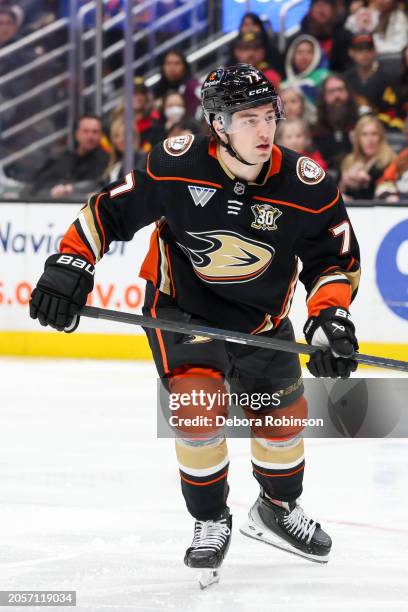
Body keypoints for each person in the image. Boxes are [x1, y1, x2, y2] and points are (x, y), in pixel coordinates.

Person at [29, 64, 360, 580]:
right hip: (181, 309)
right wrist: (71, 263)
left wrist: (329, 321)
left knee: (284, 420)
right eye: (247, 119)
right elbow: (107, 212)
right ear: (218, 124)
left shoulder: (306, 185)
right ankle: (210, 519)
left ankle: (276, 507)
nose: (264, 129)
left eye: (268, 115)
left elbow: (332, 263)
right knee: (198, 406)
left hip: (261, 318)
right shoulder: (176, 164)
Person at [26, 115, 109, 199]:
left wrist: (70, 188)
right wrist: (53, 191)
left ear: (101, 135)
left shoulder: (108, 161)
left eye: (95, 132)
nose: (90, 136)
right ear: (77, 134)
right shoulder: (62, 158)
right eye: (85, 131)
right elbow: (39, 183)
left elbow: (101, 184)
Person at [344, 32, 401, 130]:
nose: (364, 54)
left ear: (375, 52)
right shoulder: (346, 79)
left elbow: (392, 110)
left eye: (368, 50)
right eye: (359, 50)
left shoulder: (388, 78)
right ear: (351, 53)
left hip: (381, 128)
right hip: (352, 128)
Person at [312, 74, 360, 179]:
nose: (337, 95)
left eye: (340, 89)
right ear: (324, 96)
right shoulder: (316, 129)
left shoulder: (360, 122)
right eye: (331, 91)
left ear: (348, 92)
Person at [340, 114, 396, 199]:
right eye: (364, 134)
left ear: (380, 137)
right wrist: (345, 182)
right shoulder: (349, 160)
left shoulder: (391, 160)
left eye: (374, 134)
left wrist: (367, 183)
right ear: (358, 138)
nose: (369, 139)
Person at [282, 34, 330, 103]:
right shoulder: (285, 85)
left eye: (309, 52)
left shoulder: (325, 77)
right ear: (292, 56)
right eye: (300, 52)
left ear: (317, 55)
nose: (304, 57)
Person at [152, 50, 201, 118]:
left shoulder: (192, 87)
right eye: (168, 63)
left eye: (177, 63)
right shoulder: (159, 89)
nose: (172, 68)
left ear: (184, 67)